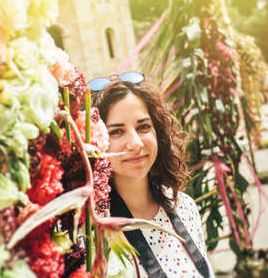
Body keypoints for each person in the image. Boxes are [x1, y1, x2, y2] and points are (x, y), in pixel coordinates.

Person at [90, 72, 214, 278]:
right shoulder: (93, 234)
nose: (136, 143)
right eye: (117, 132)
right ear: (96, 140)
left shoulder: (184, 206)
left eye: (143, 127)